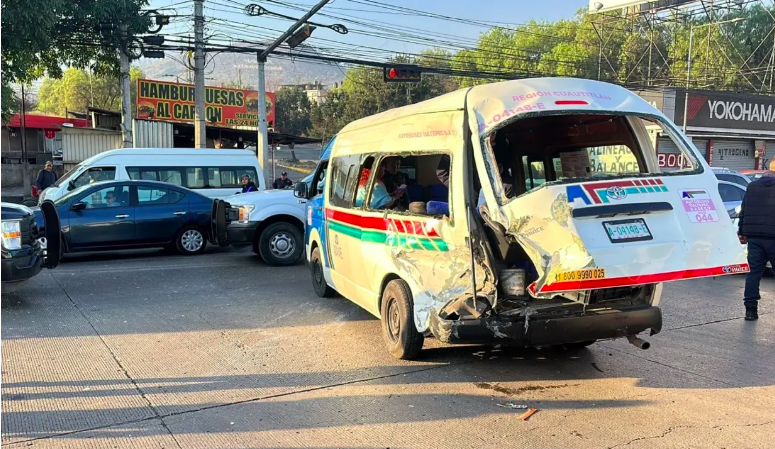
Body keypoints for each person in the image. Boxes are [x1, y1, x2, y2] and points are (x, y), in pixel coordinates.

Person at [737, 159, 775, 321]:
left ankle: (750, 311)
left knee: (753, 274)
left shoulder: (752, 186)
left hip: (755, 238)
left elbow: (744, 210)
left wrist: (742, 232)